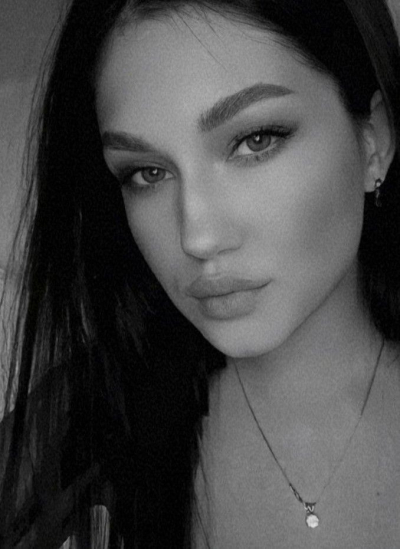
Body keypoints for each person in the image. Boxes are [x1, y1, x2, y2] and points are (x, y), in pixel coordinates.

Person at [1, 0, 400, 547]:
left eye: (255, 141)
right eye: (147, 173)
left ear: (374, 139)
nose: (198, 237)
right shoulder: (64, 446)